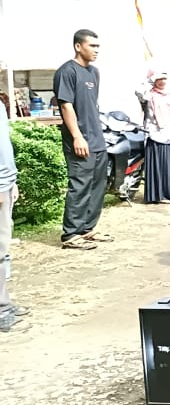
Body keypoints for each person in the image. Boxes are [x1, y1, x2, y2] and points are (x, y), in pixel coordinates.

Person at [54, 29, 111, 250]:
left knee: (97, 185)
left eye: (98, 47)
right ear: (79, 46)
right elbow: (66, 105)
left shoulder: (94, 72)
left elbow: (91, 106)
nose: (96, 50)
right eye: (92, 46)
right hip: (80, 140)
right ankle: (71, 234)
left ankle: (88, 229)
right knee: (80, 185)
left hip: (97, 139)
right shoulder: (67, 72)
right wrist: (77, 137)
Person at [141, 70, 170, 204]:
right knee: (158, 165)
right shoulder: (148, 95)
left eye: (164, 78)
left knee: (169, 166)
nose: (162, 81)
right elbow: (139, 93)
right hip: (155, 134)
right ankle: (158, 195)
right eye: (159, 78)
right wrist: (148, 80)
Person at [0, 104, 26, 332]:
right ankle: (1, 309)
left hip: (6, 183)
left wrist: (11, 180)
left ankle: (4, 302)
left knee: (3, 249)